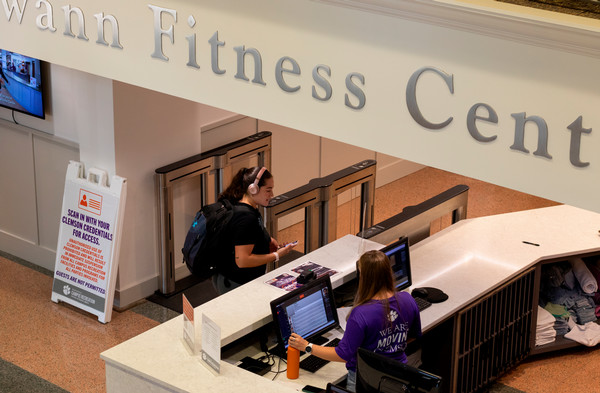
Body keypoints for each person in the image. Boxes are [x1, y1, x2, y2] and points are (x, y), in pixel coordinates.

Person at [288, 250, 422, 392]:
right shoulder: (407, 299)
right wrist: (390, 346)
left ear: (365, 277)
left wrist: (307, 346)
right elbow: (413, 336)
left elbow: (343, 354)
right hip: (397, 380)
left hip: (365, 382)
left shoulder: (361, 314)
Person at [212, 166, 297, 295]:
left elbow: (249, 238)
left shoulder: (245, 207)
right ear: (253, 188)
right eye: (268, 190)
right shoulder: (245, 217)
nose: (272, 194)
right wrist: (277, 255)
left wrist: (269, 243)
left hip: (232, 279)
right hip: (235, 283)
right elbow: (242, 260)